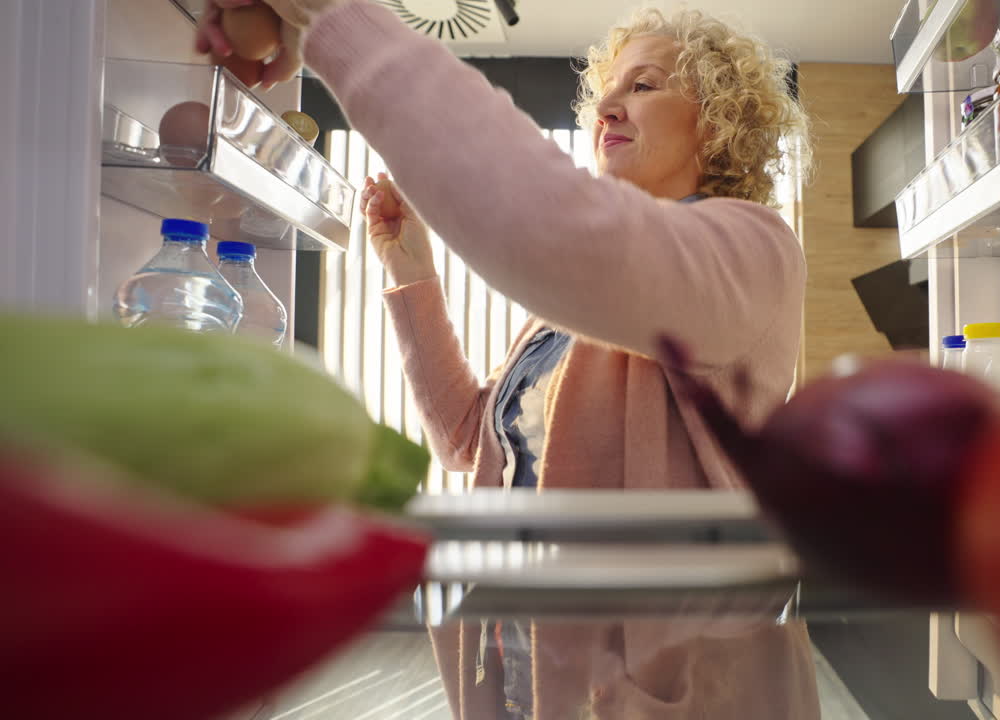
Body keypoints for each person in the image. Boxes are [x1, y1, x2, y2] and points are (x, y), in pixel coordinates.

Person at [199, 1, 817, 718]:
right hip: (528, 678)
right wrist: (411, 272)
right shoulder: (577, 313)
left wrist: (334, 19)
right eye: (609, 89)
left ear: (716, 122)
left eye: (645, 86)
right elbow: (468, 439)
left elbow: (553, 226)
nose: (610, 105)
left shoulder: (750, 250)